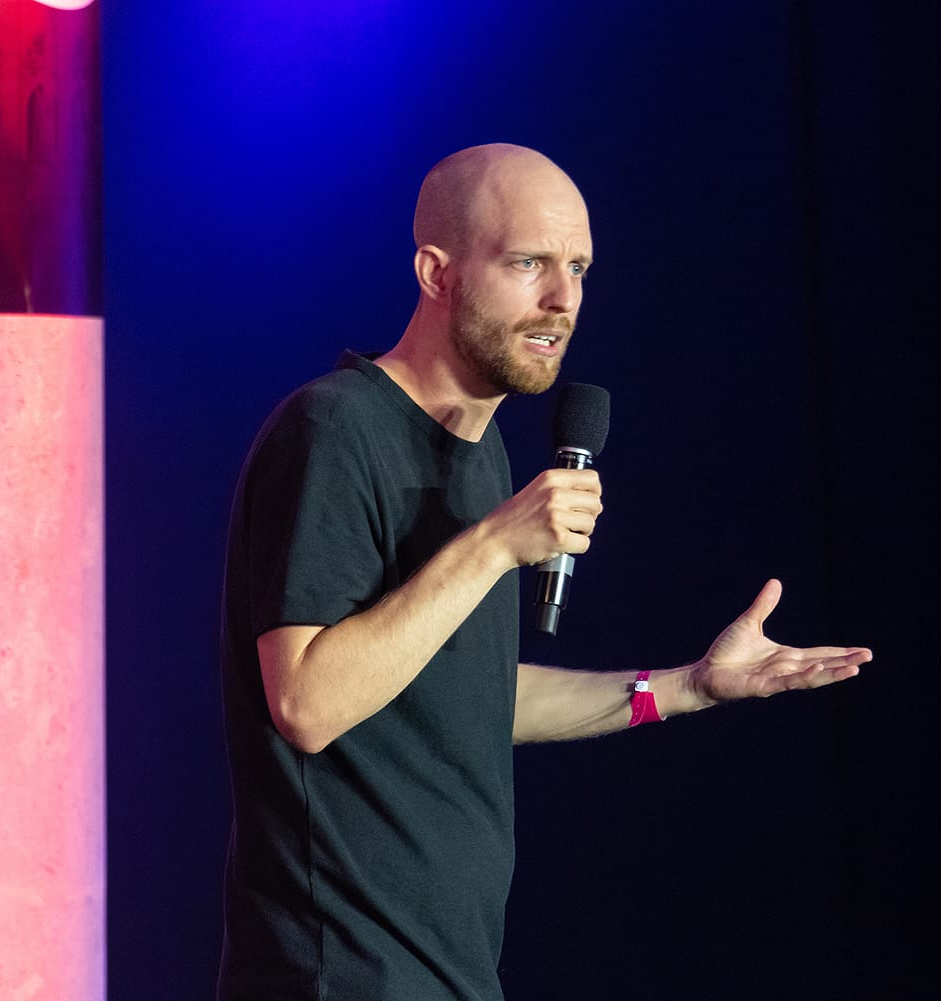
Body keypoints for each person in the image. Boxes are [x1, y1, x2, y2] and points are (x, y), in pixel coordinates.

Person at [215, 143, 872, 1001]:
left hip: (450, 975)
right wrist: (493, 543)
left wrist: (688, 686)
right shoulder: (335, 431)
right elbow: (306, 701)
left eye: (579, 268)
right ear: (437, 272)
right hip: (338, 977)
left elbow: (472, 694)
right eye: (528, 263)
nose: (562, 299)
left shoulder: (482, 457)